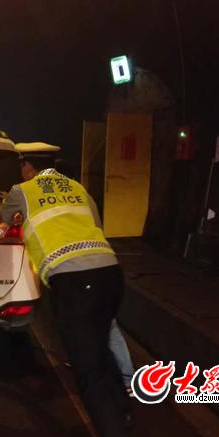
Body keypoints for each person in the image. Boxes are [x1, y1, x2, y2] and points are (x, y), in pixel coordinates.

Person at [0, 144, 132, 437]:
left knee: (88, 370)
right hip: (111, 274)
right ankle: (123, 410)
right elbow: (95, 225)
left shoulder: (23, 190)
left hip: (74, 282)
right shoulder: (77, 188)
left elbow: (4, 217)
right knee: (100, 347)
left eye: (22, 166)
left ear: (27, 167)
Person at [54, 158, 136, 395]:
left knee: (99, 324)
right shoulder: (83, 196)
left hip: (80, 269)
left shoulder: (60, 199)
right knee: (100, 322)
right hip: (100, 266)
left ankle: (126, 377)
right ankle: (116, 372)